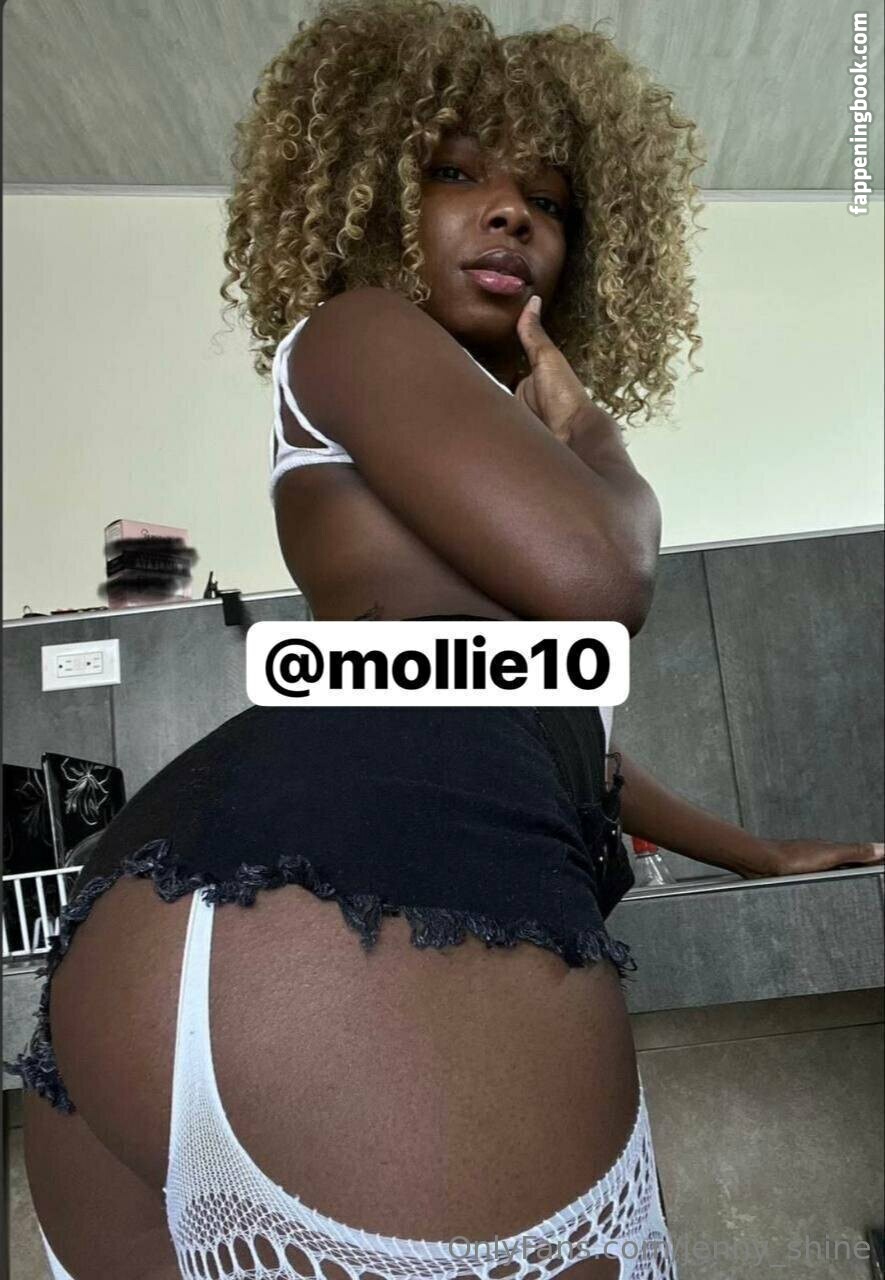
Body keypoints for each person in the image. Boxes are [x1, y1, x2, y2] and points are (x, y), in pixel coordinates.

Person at [11, 3, 882, 1278]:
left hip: (165, 934)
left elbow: (529, 707)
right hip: (362, 908)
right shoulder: (363, 327)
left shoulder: (428, 452)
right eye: (459, 173)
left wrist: (754, 850)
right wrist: (591, 428)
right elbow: (600, 582)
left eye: (547, 198)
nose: (511, 212)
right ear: (376, 200)